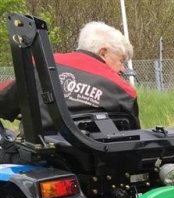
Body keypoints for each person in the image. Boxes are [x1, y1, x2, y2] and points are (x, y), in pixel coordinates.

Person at [0, 21, 139, 128]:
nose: (122, 69)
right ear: (103, 52)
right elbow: (132, 137)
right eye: (121, 60)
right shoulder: (125, 92)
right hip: (97, 162)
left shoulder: (40, 65)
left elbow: (4, 100)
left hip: (37, 159)